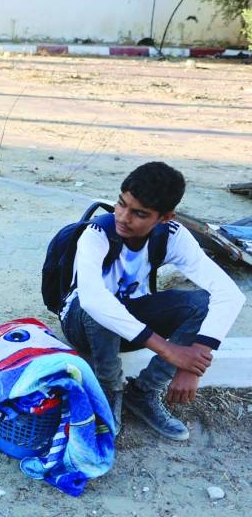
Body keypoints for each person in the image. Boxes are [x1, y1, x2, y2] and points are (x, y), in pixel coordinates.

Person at [59, 161, 245, 442]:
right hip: (82, 323)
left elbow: (229, 295)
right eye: (121, 204)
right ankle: (109, 391)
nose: (123, 217)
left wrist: (191, 365)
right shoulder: (96, 234)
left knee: (201, 303)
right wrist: (170, 351)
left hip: (133, 321)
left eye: (139, 214)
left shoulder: (172, 236)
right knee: (103, 307)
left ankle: (144, 392)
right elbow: (93, 300)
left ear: (165, 217)